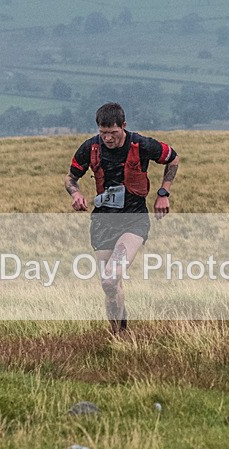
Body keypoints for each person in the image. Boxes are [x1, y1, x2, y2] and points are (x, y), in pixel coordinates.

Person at [65, 102, 179, 334]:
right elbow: (70, 178)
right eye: (103, 133)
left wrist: (163, 192)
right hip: (102, 222)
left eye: (113, 133)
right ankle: (119, 335)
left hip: (133, 220)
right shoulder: (89, 148)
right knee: (109, 286)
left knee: (110, 277)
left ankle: (122, 334)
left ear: (124, 126)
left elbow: (173, 159)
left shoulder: (142, 144)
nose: (108, 138)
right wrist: (75, 193)